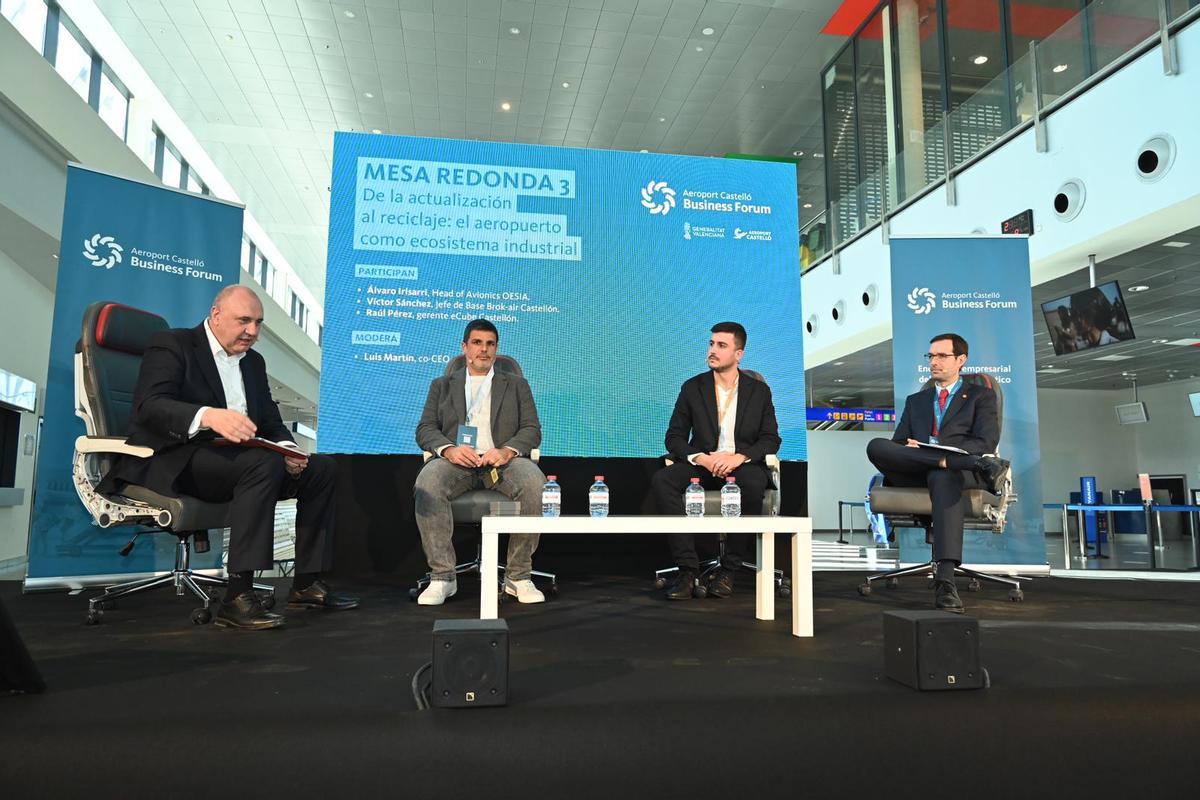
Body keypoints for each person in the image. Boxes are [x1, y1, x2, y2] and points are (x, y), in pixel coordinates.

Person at [97, 285, 357, 630]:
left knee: (321, 468)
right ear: (216, 315)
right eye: (244, 321)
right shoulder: (174, 344)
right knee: (262, 463)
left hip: (237, 462)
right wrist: (207, 415)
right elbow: (150, 406)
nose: (252, 331)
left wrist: (288, 448)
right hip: (180, 458)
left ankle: (306, 584)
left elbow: (270, 421)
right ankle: (237, 596)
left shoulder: (253, 362)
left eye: (258, 323)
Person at [865, 333, 1010, 613]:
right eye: (931, 356)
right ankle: (947, 462)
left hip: (958, 473)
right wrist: (937, 458)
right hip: (921, 470)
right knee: (876, 446)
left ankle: (945, 580)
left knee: (943, 477)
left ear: (960, 360)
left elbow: (985, 443)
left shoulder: (980, 396)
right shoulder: (916, 400)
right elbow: (898, 445)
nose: (934, 361)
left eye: (942, 356)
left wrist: (943, 456)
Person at [413, 319, 547, 605]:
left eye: (490, 344)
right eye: (477, 343)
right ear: (464, 347)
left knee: (535, 483)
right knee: (428, 481)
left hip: (502, 463)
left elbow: (532, 429)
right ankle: (443, 578)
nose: (483, 349)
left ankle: (518, 576)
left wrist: (507, 450)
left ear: (496, 349)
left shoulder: (517, 385)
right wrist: (449, 449)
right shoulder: (442, 385)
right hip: (456, 463)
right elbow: (425, 429)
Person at [651, 322, 781, 600]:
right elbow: (674, 438)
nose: (712, 350)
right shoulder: (692, 387)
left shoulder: (759, 392)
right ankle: (688, 569)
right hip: (704, 465)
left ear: (738, 354)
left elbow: (771, 439)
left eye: (721, 345)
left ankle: (729, 569)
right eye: (711, 344)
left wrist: (739, 457)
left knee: (753, 483)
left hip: (741, 466)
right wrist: (702, 459)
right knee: (663, 480)